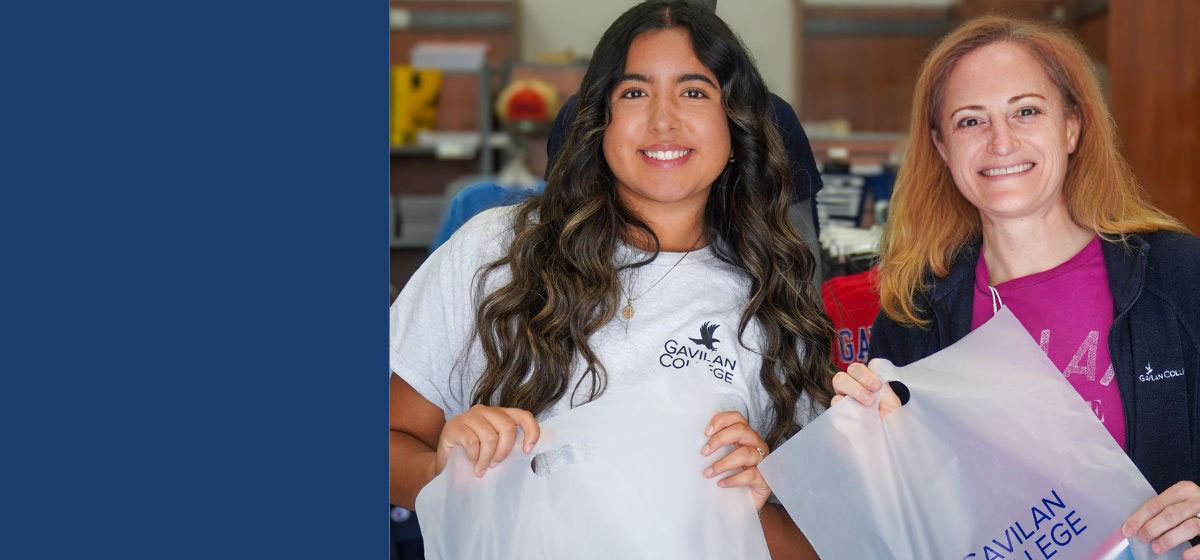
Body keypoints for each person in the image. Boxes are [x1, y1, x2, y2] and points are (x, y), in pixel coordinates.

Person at [389, 1, 831, 557]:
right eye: (635, 92)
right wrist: (442, 468)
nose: (663, 119)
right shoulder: (495, 252)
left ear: (733, 121)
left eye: (694, 91)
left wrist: (762, 494)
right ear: (599, 118)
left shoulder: (771, 296)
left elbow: (821, 543)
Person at [829, 15, 1200, 557]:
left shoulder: (1180, 275)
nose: (1001, 142)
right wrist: (861, 454)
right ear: (939, 144)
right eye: (970, 121)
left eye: (1026, 111)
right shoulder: (913, 319)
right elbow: (905, 526)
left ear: (1072, 126)